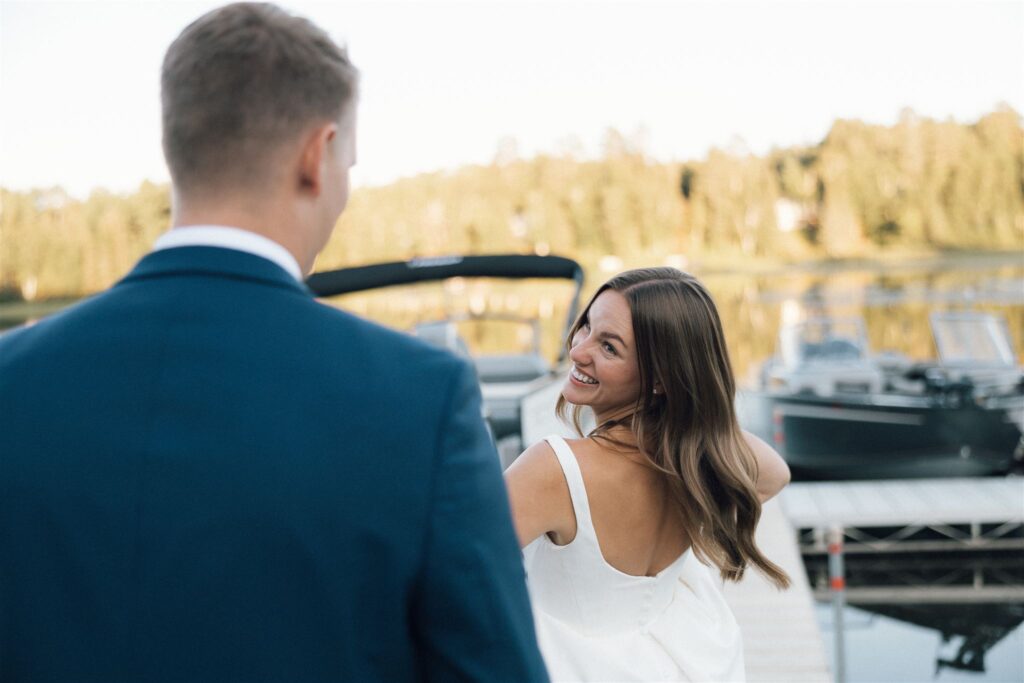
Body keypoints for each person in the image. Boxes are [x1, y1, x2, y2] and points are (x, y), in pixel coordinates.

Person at [0, 4, 547, 682]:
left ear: (180, 145)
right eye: (349, 161)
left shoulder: (11, 380)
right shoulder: (421, 399)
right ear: (317, 158)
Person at [505, 267, 791, 682]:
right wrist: (694, 421)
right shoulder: (692, 462)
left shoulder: (556, 468)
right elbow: (774, 473)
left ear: (660, 379)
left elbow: (453, 564)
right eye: (586, 326)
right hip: (675, 661)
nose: (580, 351)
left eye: (609, 347)